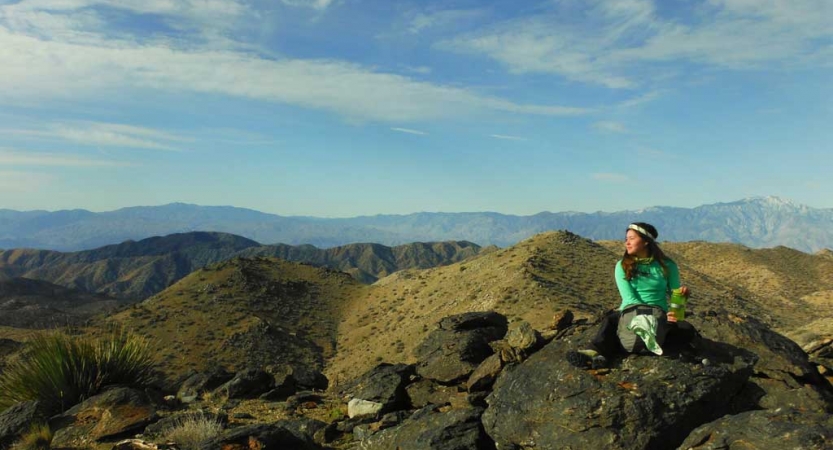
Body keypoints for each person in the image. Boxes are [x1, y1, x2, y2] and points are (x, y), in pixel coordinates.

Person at [567, 222, 699, 368]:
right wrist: (645, 316)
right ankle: (594, 353)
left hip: (659, 312)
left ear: (646, 241)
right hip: (630, 311)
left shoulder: (667, 265)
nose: (626, 243)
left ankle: (631, 349)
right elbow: (629, 297)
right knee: (611, 322)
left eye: (631, 238)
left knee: (685, 328)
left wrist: (680, 300)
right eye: (626, 239)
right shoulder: (622, 266)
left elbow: (675, 294)